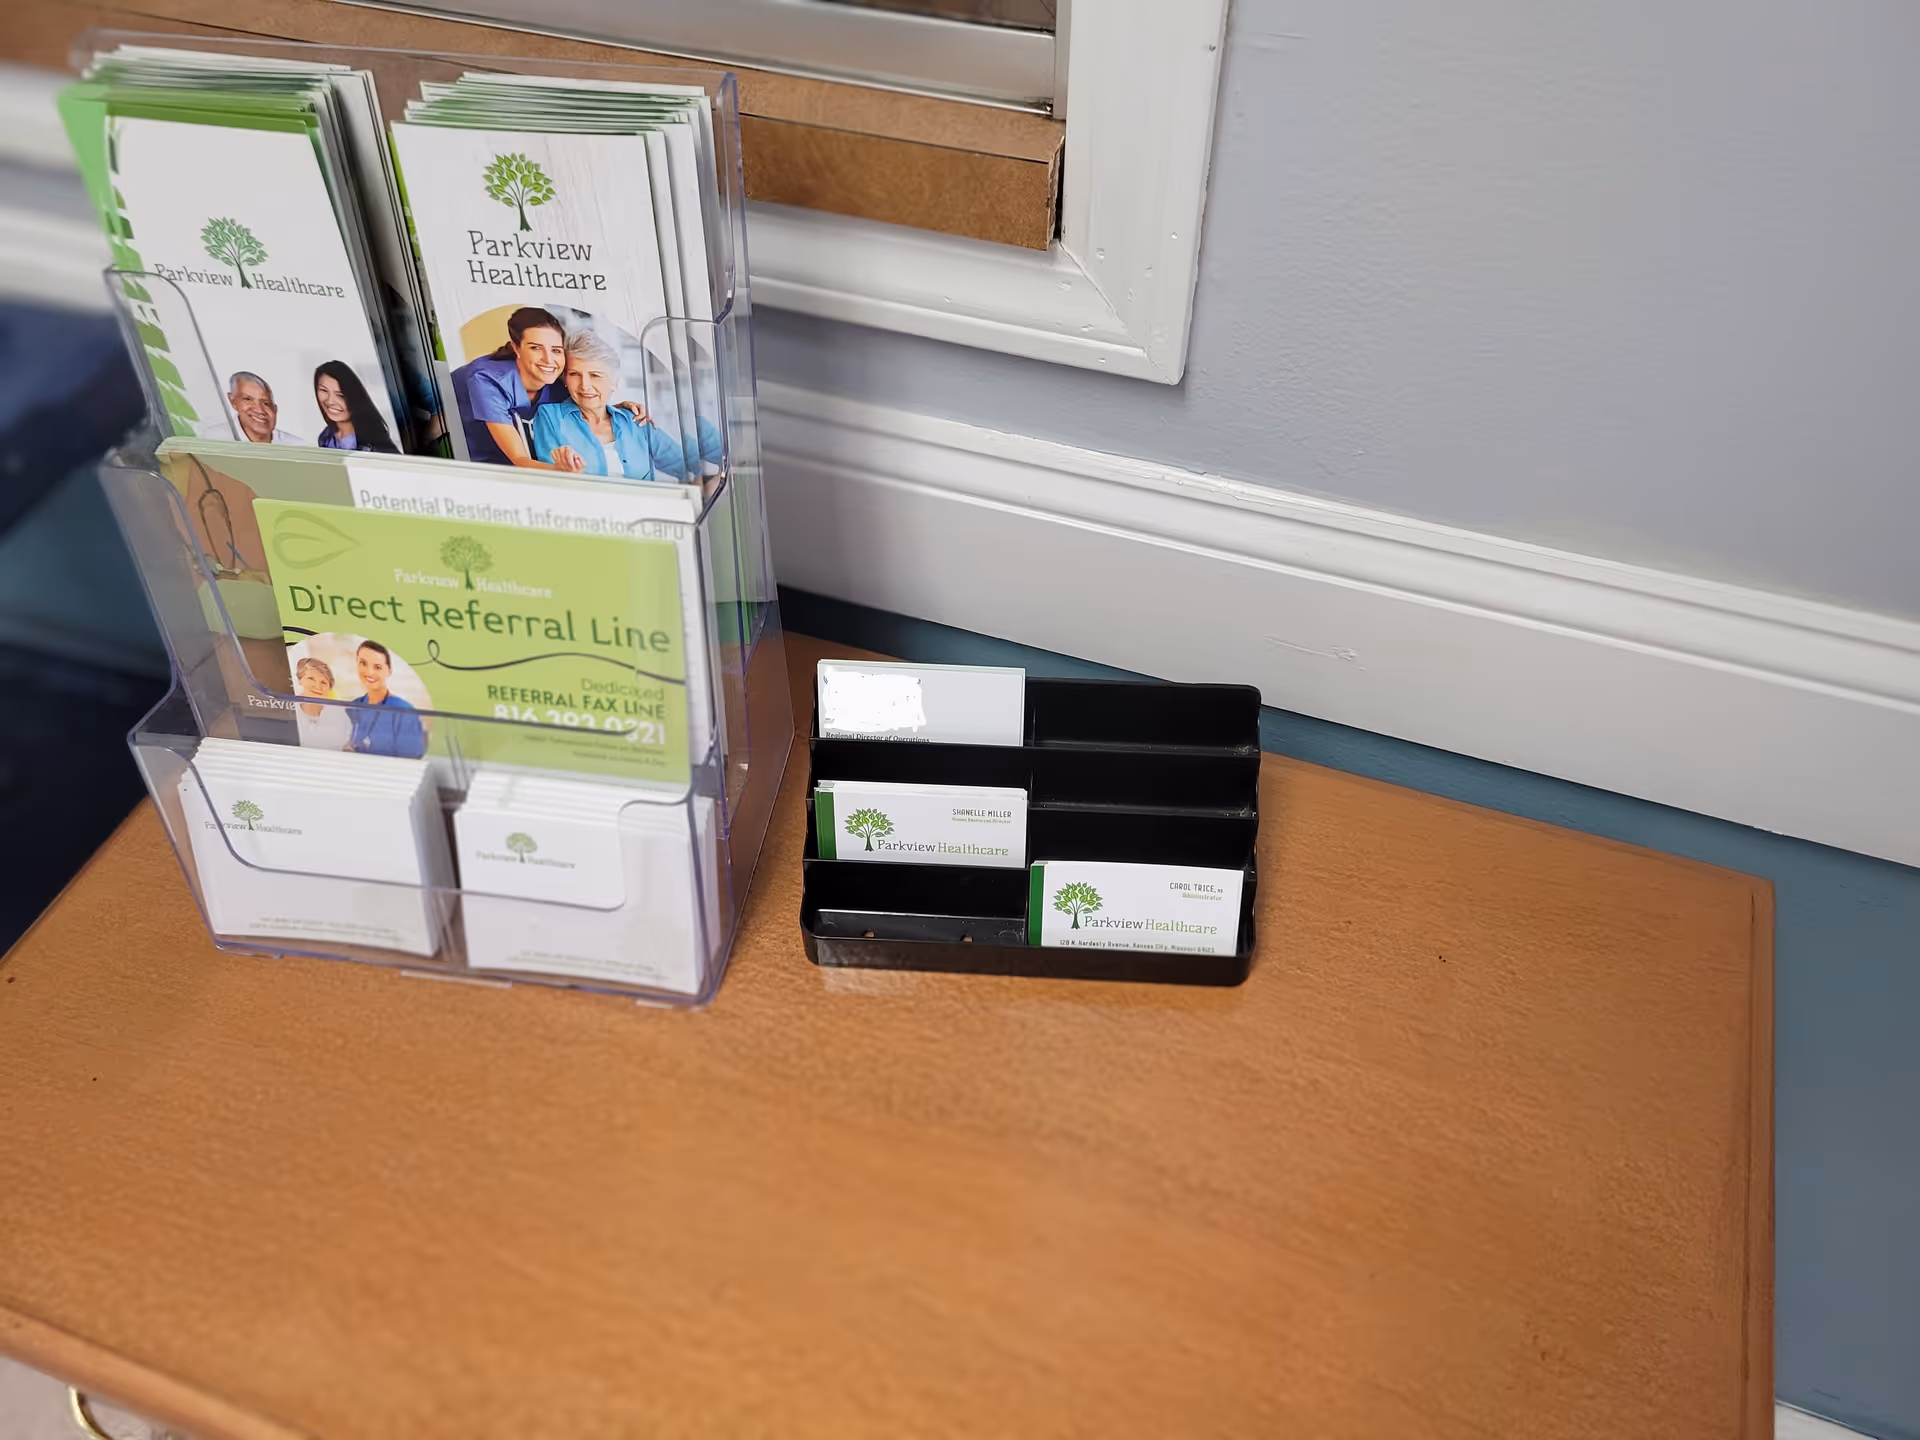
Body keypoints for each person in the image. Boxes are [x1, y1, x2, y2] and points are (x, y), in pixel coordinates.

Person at [531, 328, 685, 481]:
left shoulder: (636, 421)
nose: (585, 385)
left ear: (614, 383)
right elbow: (551, 477)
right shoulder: (550, 416)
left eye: (595, 375)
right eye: (574, 374)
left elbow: (686, 465)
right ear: (565, 379)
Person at [449, 306, 568, 467]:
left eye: (556, 350)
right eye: (536, 348)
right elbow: (519, 459)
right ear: (517, 348)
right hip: (462, 452)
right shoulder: (487, 379)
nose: (549, 359)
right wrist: (564, 474)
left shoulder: (559, 385)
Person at [347, 640, 426, 758]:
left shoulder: (404, 712)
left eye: (377, 667)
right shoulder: (352, 708)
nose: (369, 672)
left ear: (389, 671)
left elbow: (411, 761)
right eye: (363, 663)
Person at [314, 361, 399, 453]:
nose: (330, 401)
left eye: (340, 395)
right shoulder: (326, 437)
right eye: (323, 390)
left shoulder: (375, 446)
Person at [199, 371, 302, 446]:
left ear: (275, 409)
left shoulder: (296, 446)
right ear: (233, 401)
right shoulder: (212, 440)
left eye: (266, 403)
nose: (259, 410)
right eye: (248, 399)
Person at [292, 656, 353, 751]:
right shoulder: (289, 710)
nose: (318, 686)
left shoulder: (342, 713)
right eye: (311, 678)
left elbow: (350, 747)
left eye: (323, 682)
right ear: (300, 680)